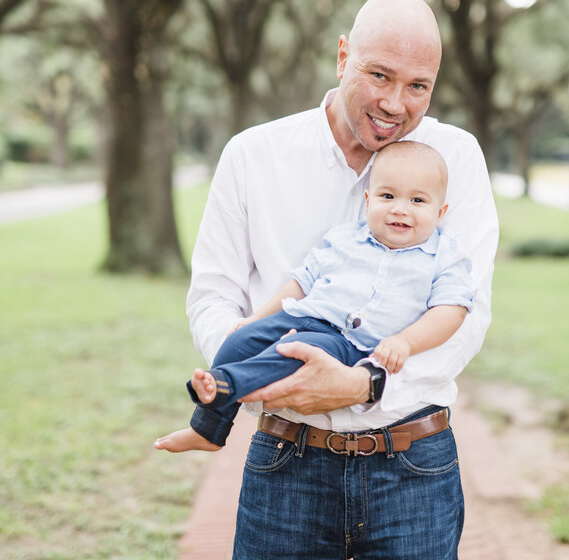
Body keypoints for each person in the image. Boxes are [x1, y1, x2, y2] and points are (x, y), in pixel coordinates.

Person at [157, 0, 498, 560]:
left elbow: (466, 317)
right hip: (287, 460)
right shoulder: (253, 156)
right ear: (343, 56)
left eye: (419, 86)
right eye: (379, 75)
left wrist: (366, 382)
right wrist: (261, 376)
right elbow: (214, 294)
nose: (396, 104)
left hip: (412, 463)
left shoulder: (457, 159)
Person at [155, 141, 474, 451]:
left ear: (440, 211)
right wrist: (258, 317)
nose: (399, 209)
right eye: (387, 195)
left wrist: (406, 342)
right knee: (239, 340)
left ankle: (226, 382)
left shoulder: (444, 253)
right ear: (368, 199)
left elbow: (451, 310)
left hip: (347, 342)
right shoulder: (345, 238)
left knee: (293, 353)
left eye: (417, 201)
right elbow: (301, 283)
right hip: (303, 315)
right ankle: (207, 429)